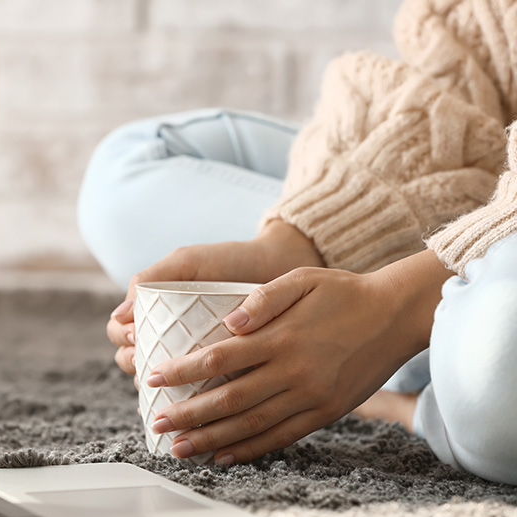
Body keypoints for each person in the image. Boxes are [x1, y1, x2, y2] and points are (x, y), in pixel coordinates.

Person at [77, 0, 517, 485]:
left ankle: (398, 377)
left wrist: (396, 306)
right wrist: (300, 241)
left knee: (496, 392)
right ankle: (369, 336)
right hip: (484, 195)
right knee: (123, 182)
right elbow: (468, 60)